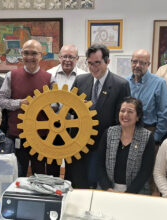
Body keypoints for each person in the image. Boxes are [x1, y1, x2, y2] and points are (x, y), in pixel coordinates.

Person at [65, 43, 131, 188]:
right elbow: (69, 110)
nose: (94, 67)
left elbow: (122, 120)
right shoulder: (80, 81)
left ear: (107, 61)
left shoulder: (121, 85)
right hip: (79, 144)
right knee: (78, 183)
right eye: (90, 63)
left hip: (104, 146)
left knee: (99, 185)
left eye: (97, 63)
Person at [0, 39, 55, 177]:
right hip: (17, 136)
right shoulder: (11, 76)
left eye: (34, 53)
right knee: (17, 173)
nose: (29, 57)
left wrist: (42, 105)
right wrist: (19, 103)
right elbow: (0, 100)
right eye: (26, 53)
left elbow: (56, 105)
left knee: (40, 175)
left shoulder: (50, 78)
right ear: (21, 54)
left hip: (41, 137)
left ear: (41, 55)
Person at [97, 97, 154, 194]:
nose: (125, 115)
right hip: (107, 190)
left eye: (130, 112)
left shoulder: (147, 137)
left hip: (136, 192)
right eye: (122, 111)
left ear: (138, 116)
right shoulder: (109, 132)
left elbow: (146, 170)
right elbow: (99, 164)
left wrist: (129, 193)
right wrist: (107, 188)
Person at [126, 49, 167, 144]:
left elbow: (164, 114)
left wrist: (155, 138)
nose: (137, 65)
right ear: (131, 62)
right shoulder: (125, 83)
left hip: (149, 132)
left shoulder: (159, 83)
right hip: (127, 133)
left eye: (142, 63)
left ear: (148, 64)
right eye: (134, 61)